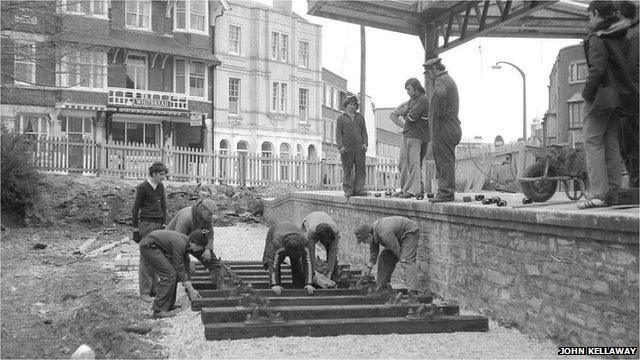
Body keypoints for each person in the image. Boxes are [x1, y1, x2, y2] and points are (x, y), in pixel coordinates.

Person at [579, 1, 638, 208]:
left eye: (590, 17)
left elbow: (597, 70)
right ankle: (614, 191)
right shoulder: (621, 36)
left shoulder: (598, 38)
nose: (589, 21)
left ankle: (598, 193)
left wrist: (586, 95)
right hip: (619, 98)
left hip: (601, 99)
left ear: (597, 13)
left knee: (593, 142)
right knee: (611, 143)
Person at [139, 229, 206, 318]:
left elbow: (185, 262)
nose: (200, 250)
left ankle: (168, 305)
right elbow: (178, 265)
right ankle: (159, 310)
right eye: (201, 247)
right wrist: (190, 288)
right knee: (169, 275)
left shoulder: (186, 243)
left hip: (154, 245)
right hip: (149, 246)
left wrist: (188, 278)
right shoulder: (181, 243)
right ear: (195, 243)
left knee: (173, 274)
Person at [423, 58, 462, 203]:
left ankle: (445, 193)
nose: (429, 77)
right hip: (450, 127)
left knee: (444, 160)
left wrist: (440, 113)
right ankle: (446, 192)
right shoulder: (448, 79)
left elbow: (441, 95)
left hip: (444, 128)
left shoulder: (440, 80)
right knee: (447, 159)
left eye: (429, 74)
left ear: (434, 70)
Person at [354, 216, 421, 295]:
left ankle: (413, 291)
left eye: (364, 241)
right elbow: (374, 252)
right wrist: (369, 268)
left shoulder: (384, 232)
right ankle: (382, 286)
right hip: (396, 237)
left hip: (409, 232)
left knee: (406, 260)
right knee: (384, 256)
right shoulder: (372, 233)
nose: (364, 243)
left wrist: (401, 257)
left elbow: (395, 248)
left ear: (369, 235)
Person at [132, 162, 168, 302]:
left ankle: (154, 290)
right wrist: (135, 229)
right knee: (146, 258)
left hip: (158, 225)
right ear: (153, 173)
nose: (163, 177)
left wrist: (164, 223)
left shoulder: (160, 187)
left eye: (165, 174)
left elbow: (164, 206)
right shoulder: (142, 188)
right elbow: (135, 209)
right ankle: (145, 292)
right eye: (161, 174)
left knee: (157, 258)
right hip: (146, 225)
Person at [165, 199, 224, 286]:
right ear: (202, 208)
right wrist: (188, 262)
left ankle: (219, 286)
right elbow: (178, 243)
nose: (211, 217)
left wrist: (208, 248)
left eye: (212, 215)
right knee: (184, 270)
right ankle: (180, 293)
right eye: (210, 214)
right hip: (172, 243)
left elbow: (209, 232)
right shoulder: (186, 217)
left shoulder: (206, 217)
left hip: (192, 241)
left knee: (214, 263)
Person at [389, 78, 430, 199]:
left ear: (416, 89)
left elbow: (412, 117)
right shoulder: (412, 100)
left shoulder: (423, 100)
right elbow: (398, 115)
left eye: (409, 89)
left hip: (417, 136)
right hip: (408, 134)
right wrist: (405, 118)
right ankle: (405, 188)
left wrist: (406, 114)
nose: (407, 91)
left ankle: (413, 191)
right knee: (403, 164)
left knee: (414, 163)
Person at [616, 1, 639, 188]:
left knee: (630, 143)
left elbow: (631, 68)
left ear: (619, 13)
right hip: (630, 95)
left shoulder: (632, 35)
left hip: (630, 97)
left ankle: (636, 183)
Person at [262, 221, 315, 295]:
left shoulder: (305, 243)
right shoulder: (277, 243)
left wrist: (309, 283)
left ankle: (298, 287)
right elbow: (273, 263)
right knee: (273, 261)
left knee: (298, 264)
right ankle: (276, 285)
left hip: (291, 231)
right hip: (275, 229)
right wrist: (274, 284)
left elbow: (309, 263)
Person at [336, 96, 368, 198]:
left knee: (360, 169)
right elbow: (338, 134)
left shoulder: (360, 117)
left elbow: (364, 132)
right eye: (350, 105)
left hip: (359, 148)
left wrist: (365, 143)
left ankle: (359, 189)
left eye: (354, 105)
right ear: (346, 105)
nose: (352, 107)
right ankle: (348, 190)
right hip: (346, 149)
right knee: (347, 169)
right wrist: (341, 146)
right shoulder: (341, 118)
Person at [300, 211, 340, 281]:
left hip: (323, 219)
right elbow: (311, 252)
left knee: (332, 252)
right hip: (309, 220)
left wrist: (329, 272)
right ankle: (305, 278)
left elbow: (333, 252)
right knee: (305, 252)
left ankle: (334, 279)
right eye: (323, 241)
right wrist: (314, 272)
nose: (324, 243)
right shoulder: (311, 231)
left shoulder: (335, 231)